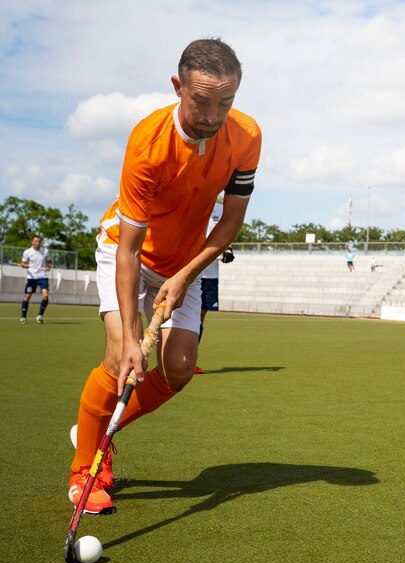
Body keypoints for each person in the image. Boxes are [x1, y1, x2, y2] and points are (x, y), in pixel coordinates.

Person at [68, 38, 262, 514]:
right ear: (178, 87)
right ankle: (85, 465)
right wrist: (133, 337)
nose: (213, 116)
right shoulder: (147, 142)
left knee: (176, 369)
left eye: (226, 103)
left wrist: (184, 276)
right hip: (127, 251)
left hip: (186, 261)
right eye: (201, 101)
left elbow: (231, 221)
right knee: (120, 359)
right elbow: (129, 249)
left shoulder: (247, 136)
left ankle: (100, 431)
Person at [195, 197, 235, 374]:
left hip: (211, 273)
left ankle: (190, 359)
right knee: (188, 314)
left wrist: (228, 249)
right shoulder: (195, 204)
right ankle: (176, 358)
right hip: (192, 270)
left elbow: (227, 232)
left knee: (201, 315)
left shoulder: (221, 209)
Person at [19, 235, 52, 324]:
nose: (38, 243)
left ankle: (40, 316)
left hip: (42, 276)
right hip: (31, 277)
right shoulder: (27, 252)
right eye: (36, 241)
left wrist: (48, 267)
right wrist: (23, 265)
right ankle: (23, 317)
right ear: (32, 242)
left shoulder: (45, 251)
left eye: (39, 241)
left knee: (45, 295)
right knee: (27, 296)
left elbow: (49, 262)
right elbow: (23, 263)